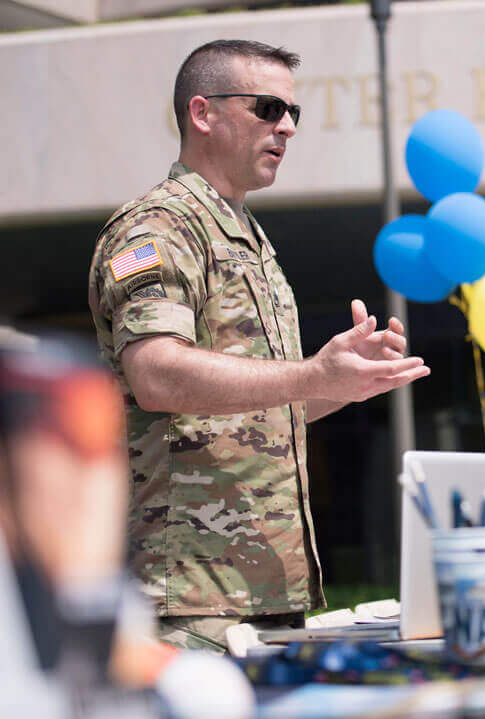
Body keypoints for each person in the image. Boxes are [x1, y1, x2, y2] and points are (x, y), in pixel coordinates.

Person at [88, 40, 430, 652]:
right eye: (268, 108)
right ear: (203, 114)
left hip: (265, 597)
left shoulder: (250, 239)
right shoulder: (156, 228)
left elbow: (257, 414)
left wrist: (338, 385)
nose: (288, 127)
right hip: (189, 603)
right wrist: (308, 375)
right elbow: (156, 374)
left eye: (294, 112)